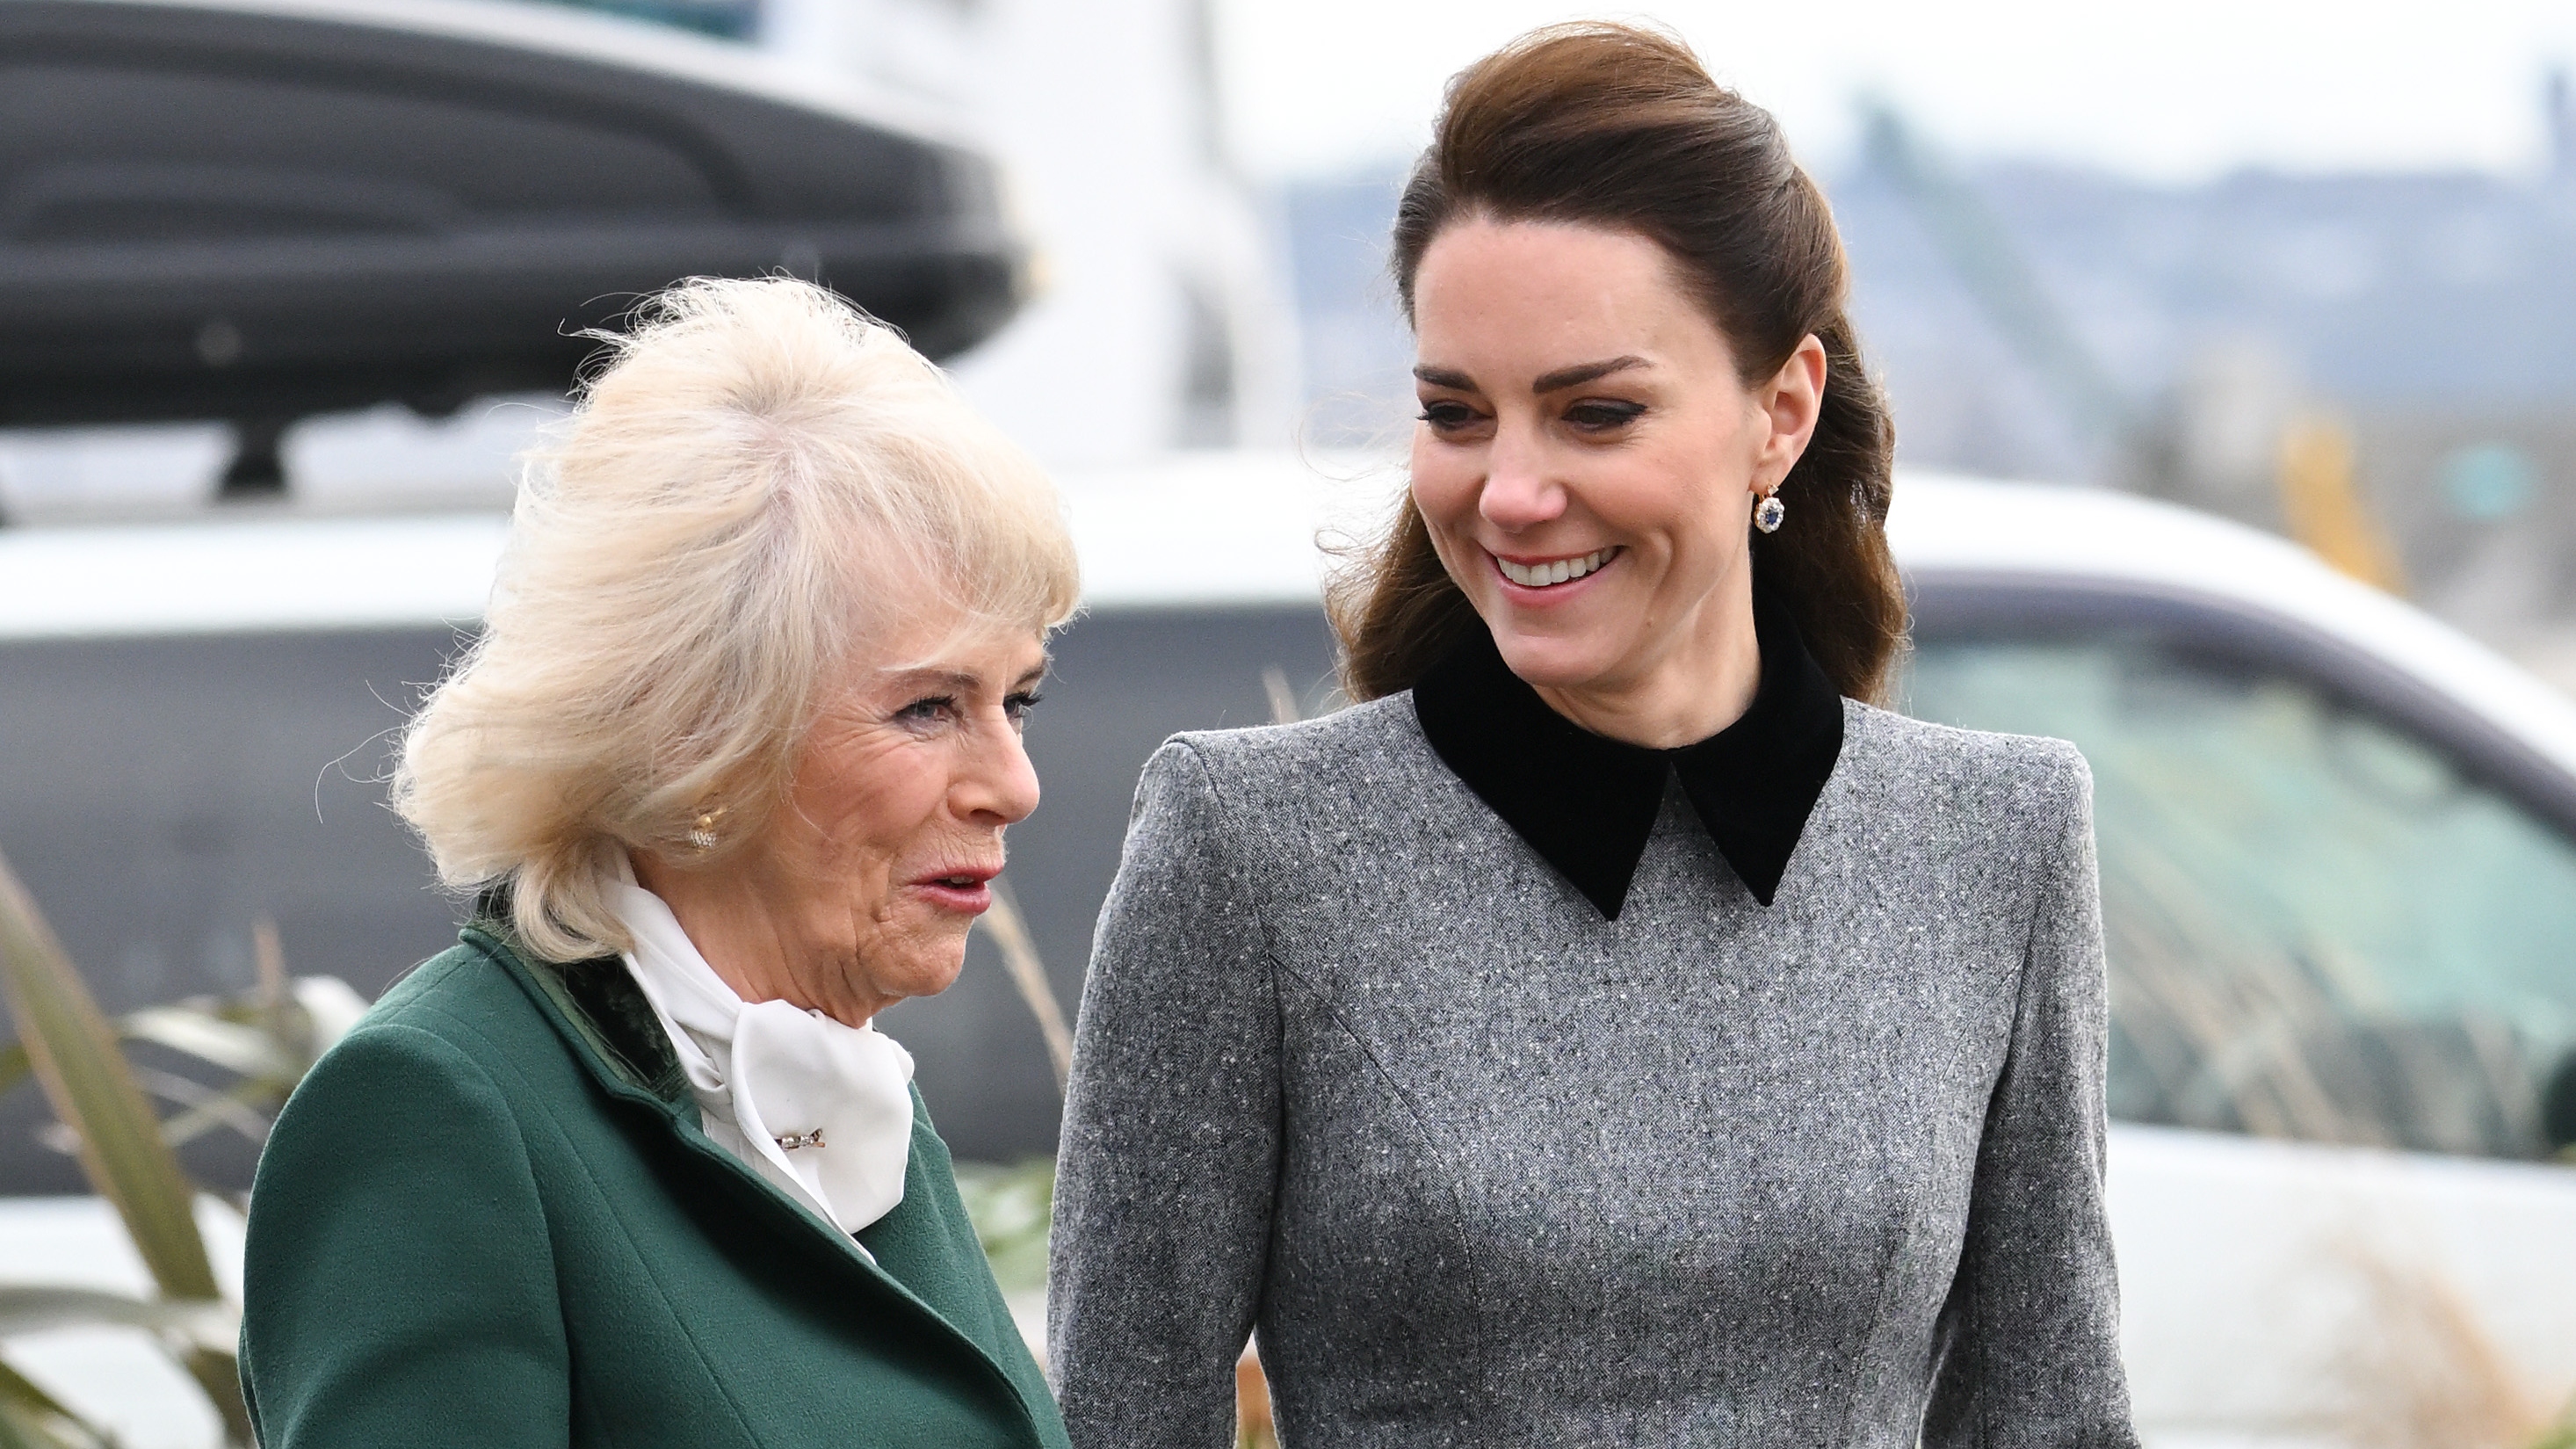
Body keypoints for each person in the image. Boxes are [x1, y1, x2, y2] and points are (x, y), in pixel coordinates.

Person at [1050, 23, 2137, 1447]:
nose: (1507, 492)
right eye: (1457, 411)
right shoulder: (1251, 849)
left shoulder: (1997, 840)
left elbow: (2051, 1416)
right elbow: (1119, 1417)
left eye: (1595, 412)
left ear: (1781, 414)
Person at [239, 277, 1078, 1449]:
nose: (1014, 783)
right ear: (700, 728)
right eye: (933, 707)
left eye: (1019, 699)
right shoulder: (441, 1112)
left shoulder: (834, 1089)